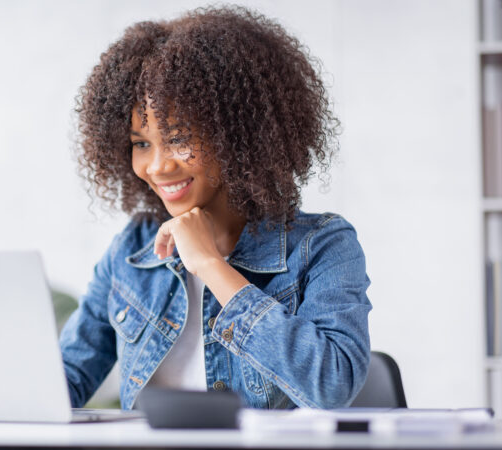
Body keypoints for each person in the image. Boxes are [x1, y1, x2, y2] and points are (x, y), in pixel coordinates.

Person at [59, 6, 372, 414]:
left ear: (238, 135)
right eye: (141, 144)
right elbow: (65, 380)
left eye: (178, 138)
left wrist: (209, 264)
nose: (157, 166)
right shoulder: (131, 251)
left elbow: (332, 386)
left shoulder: (322, 246)